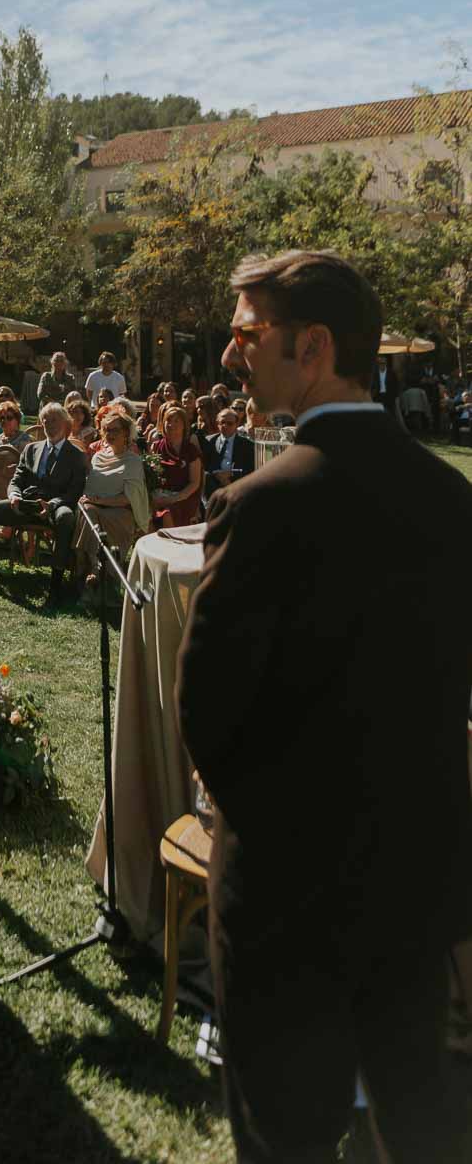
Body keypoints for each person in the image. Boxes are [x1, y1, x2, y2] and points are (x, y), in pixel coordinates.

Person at [177, 249, 472, 1162]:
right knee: (417, 1125)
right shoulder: (452, 496)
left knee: (283, 1140)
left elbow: (209, 714)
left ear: (311, 347)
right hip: (415, 881)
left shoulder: (256, 505)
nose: (231, 357)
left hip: (283, 899)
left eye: (244, 334)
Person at [0, 402, 87, 603]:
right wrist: (14, 495)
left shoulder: (76, 455)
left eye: (54, 420)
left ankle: (56, 583)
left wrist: (52, 504)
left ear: (65, 424)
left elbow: (74, 492)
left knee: (66, 517)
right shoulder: (31, 449)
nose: (49, 425)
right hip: (26, 502)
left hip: (56, 505)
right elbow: (16, 480)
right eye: (45, 421)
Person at [74, 408, 150, 582]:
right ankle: (95, 567)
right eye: (106, 429)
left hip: (120, 513)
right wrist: (89, 500)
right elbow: (89, 490)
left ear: (126, 433)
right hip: (93, 509)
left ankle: (86, 564)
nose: (109, 434)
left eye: (114, 430)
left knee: (90, 512)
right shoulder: (97, 457)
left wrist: (101, 501)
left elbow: (130, 498)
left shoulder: (133, 461)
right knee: (88, 511)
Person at [150, 404, 203, 526]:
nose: (171, 424)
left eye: (176, 421)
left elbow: (195, 483)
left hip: (184, 497)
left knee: (167, 513)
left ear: (184, 425)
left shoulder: (191, 450)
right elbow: (151, 477)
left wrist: (173, 498)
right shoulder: (156, 447)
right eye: (168, 420)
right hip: (159, 496)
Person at [202, 405, 254, 504]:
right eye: (222, 423)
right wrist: (218, 475)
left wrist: (231, 473)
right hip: (214, 484)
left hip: (237, 483)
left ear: (236, 424)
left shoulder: (247, 445)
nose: (225, 426)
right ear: (217, 423)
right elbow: (204, 466)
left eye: (230, 423)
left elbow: (251, 470)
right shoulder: (209, 441)